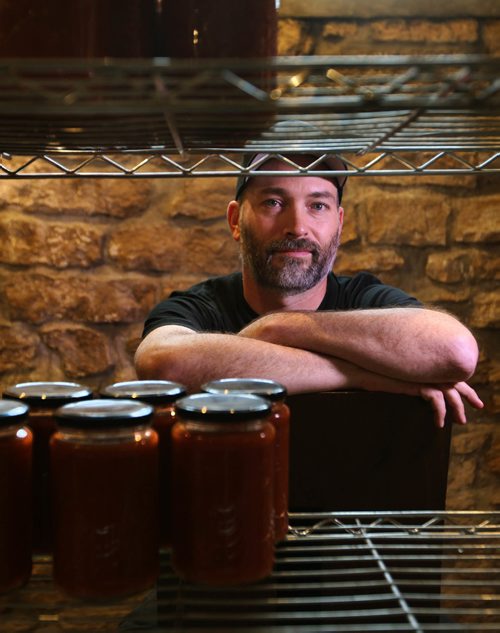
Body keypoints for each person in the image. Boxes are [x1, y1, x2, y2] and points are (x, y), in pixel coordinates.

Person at [135, 152, 483, 428]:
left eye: (317, 206)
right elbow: (162, 364)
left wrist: (281, 327)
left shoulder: (363, 299)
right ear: (235, 221)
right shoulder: (200, 307)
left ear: (339, 222)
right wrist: (360, 374)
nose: (298, 227)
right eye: (273, 202)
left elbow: (455, 351)